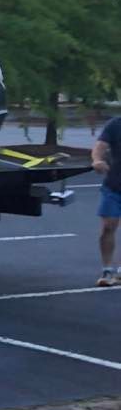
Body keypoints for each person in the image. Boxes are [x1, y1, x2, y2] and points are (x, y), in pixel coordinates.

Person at [93, 116, 121, 286]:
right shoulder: (115, 124)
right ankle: (107, 270)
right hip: (114, 186)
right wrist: (97, 160)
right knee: (108, 227)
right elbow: (100, 146)